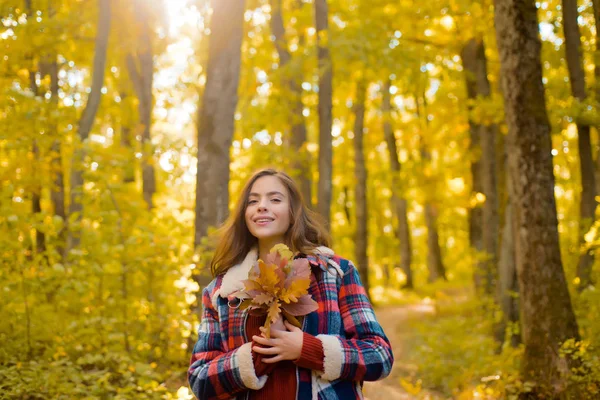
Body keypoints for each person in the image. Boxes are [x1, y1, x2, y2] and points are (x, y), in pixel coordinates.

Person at [188, 168, 394, 400]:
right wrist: (258, 356)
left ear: (293, 211)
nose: (262, 206)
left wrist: (308, 349)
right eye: (252, 201)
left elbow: (379, 355)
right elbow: (199, 379)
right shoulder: (222, 291)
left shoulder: (334, 273)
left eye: (275, 199)